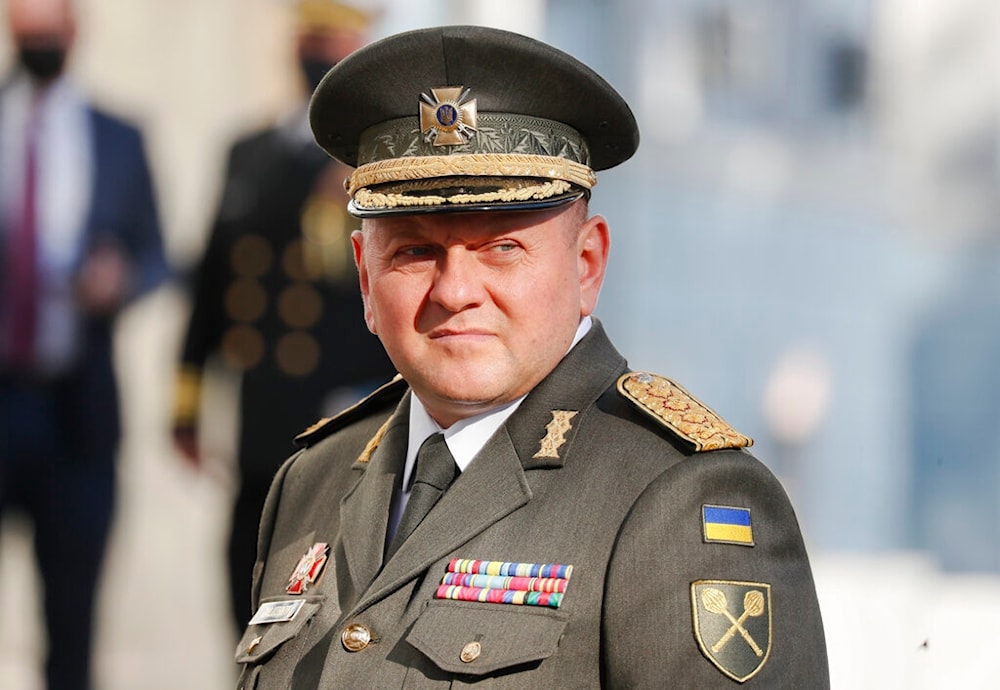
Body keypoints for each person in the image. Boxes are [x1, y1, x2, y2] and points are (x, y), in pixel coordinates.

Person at [235, 25, 829, 688]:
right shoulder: (310, 480)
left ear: (587, 264)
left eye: (502, 249)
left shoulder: (681, 499)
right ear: (366, 280)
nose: (456, 291)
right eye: (414, 251)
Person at [172, 0, 395, 632]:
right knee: (245, 573)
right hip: (260, 406)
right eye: (311, 37)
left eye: (334, 40)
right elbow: (212, 282)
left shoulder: (372, 160)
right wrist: (185, 403)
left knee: (325, 587)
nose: (319, 52)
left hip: (342, 401)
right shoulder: (249, 152)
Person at [0, 0, 170, 688]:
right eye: (24, 23)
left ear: (74, 29)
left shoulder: (117, 137)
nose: (38, 37)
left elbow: (157, 253)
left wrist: (120, 278)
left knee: (72, 624)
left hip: (78, 407)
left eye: (50, 24)